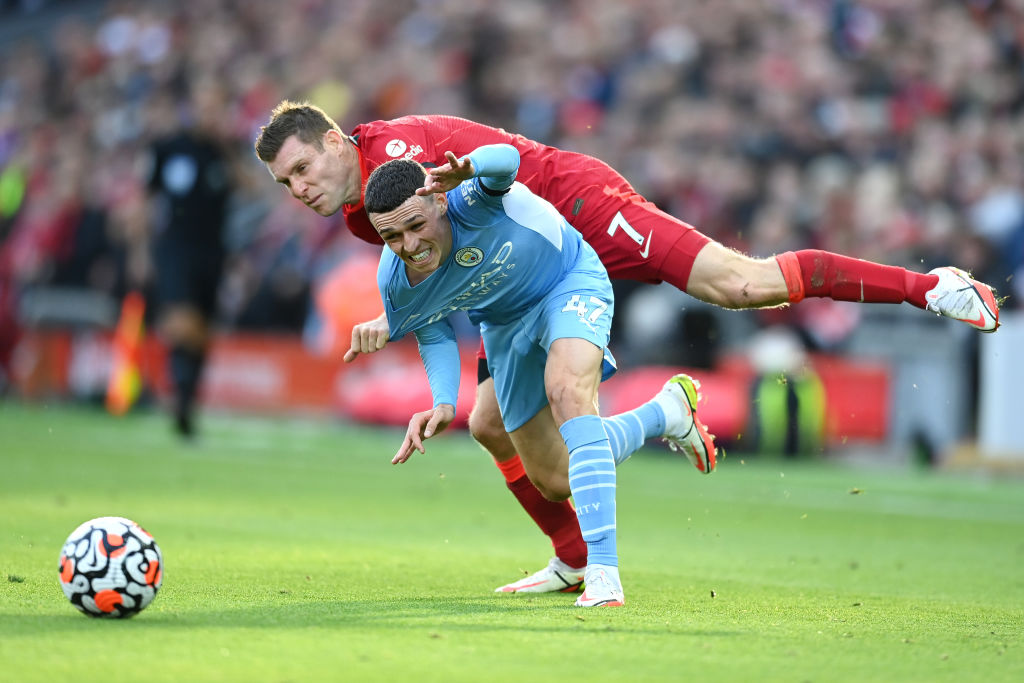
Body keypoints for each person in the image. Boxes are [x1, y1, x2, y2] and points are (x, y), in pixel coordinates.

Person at [254, 102, 1001, 593]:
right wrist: (429, 363)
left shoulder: (398, 158)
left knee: (741, 284)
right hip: (523, 278)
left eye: (301, 168)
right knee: (503, 437)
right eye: (285, 183)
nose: (297, 188)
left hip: (575, 209)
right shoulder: (365, 216)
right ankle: (582, 545)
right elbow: (455, 275)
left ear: (332, 141)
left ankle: (927, 286)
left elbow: (497, 186)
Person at [362, 143, 715, 606]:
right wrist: (444, 400)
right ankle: (663, 415)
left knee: (568, 394)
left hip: (566, 283)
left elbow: (507, 158)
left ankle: (603, 572)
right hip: (503, 323)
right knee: (555, 478)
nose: (409, 246)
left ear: (439, 201)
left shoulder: (471, 196)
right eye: (392, 238)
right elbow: (432, 332)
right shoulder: (396, 281)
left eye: (415, 225)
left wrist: (471, 166)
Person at [145, 84, 234, 438]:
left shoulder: (225, 152)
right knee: (182, 322)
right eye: (204, 107)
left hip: (213, 250)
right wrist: (141, 250)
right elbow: (145, 198)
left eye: (217, 108)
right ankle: (181, 402)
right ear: (192, 108)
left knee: (202, 331)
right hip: (176, 247)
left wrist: (225, 149)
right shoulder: (168, 148)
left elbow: (249, 186)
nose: (210, 115)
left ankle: (187, 402)